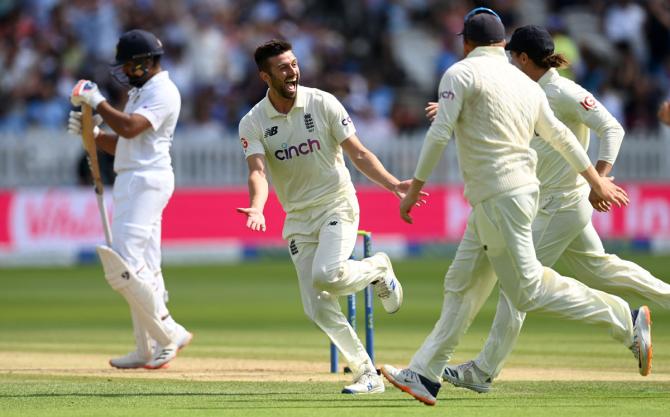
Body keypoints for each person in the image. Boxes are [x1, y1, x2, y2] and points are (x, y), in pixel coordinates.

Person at [381, 8, 651, 406]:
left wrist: (413, 188)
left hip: (501, 195)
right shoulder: (522, 82)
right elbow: (560, 136)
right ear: (503, 44)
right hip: (509, 195)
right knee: (461, 285)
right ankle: (424, 374)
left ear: (467, 43)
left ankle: (624, 321)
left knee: (526, 291)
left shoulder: (460, 73)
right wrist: (595, 180)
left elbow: (439, 133)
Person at [237, 39, 418, 394]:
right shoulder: (253, 121)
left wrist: (395, 185)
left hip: (337, 204)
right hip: (298, 219)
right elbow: (257, 171)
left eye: (293, 64)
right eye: (282, 68)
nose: (292, 72)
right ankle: (366, 373)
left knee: (327, 275)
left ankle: (379, 267)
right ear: (265, 76)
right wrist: (258, 206)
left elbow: (359, 154)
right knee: (317, 307)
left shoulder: (322, 102)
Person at [67, 29, 192, 369]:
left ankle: (170, 330)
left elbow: (131, 128)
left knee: (121, 266)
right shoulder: (142, 91)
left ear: (146, 63)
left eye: (128, 65)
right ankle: (145, 348)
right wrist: (92, 134)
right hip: (132, 177)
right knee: (145, 269)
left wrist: (99, 103)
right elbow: (124, 142)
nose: (124, 71)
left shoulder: (163, 90)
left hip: (146, 181)